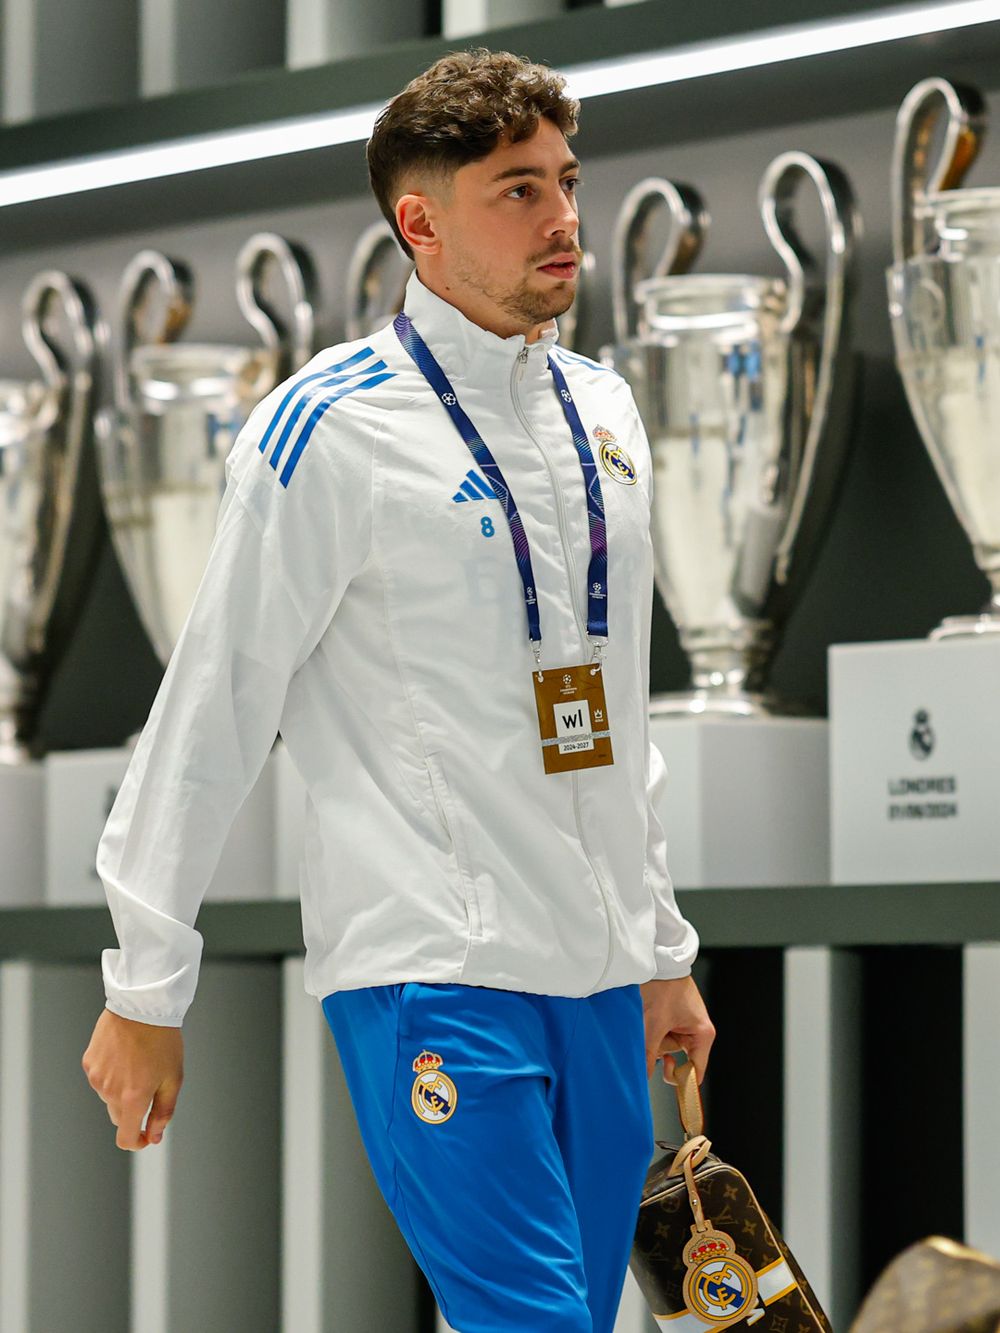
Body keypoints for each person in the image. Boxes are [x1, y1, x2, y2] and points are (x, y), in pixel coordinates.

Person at [82, 47, 715, 1333]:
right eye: (517, 190)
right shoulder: (327, 426)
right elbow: (210, 707)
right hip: (435, 970)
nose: (562, 217)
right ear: (420, 225)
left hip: (599, 981)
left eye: (566, 180)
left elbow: (615, 717)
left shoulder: (605, 411)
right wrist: (144, 987)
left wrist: (659, 952)